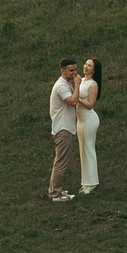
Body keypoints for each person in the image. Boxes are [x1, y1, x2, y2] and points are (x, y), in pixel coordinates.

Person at [48, 60, 81, 201]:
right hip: (63, 129)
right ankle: (56, 193)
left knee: (61, 161)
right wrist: (78, 84)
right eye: (71, 70)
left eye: (75, 70)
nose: (74, 73)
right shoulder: (61, 86)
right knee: (61, 162)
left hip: (65, 127)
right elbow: (73, 101)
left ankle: (56, 189)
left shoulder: (66, 84)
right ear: (63, 71)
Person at [76, 58, 104, 195]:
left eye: (89, 66)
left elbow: (90, 104)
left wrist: (78, 100)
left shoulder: (92, 84)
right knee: (83, 150)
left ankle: (91, 183)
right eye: (86, 64)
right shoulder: (81, 81)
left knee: (88, 149)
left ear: (94, 70)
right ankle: (85, 182)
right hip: (80, 120)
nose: (86, 67)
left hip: (89, 119)